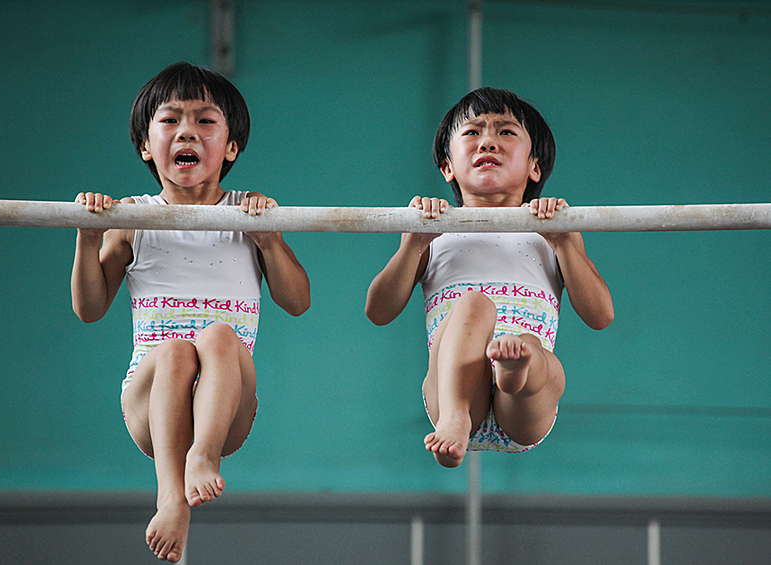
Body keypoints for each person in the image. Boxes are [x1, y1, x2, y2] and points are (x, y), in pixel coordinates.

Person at [70, 62, 310, 562]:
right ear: (145, 146)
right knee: (177, 349)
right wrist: (88, 234)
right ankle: (171, 495)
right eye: (170, 120)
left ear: (231, 147)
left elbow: (297, 301)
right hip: (150, 402)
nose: (187, 132)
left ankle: (202, 453)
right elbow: (90, 308)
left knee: (220, 336)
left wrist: (269, 240)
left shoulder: (251, 214)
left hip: (228, 409)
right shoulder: (132, 219)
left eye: (205, 121)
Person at [365, 87, 613, 469]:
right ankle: (460, 413)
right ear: (447, 165)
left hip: (527, 408)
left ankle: (513, 371)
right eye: (472, 132)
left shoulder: (552, 231)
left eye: (506, 132)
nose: (488, 143)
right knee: (475, 304)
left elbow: (600, 315)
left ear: (535, 166)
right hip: (453, 395)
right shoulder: (434, 230)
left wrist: (564, 243)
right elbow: (378, 311)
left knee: (530, 349)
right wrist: (412, 244)